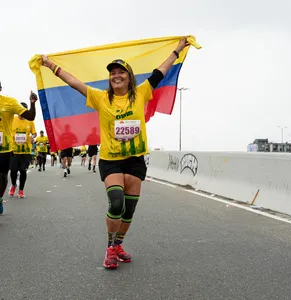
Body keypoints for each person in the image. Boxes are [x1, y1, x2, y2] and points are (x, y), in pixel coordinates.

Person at [41, 37, 189, 269]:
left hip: (135, 159)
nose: (116, 75)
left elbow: (160, 71)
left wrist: (177, 49)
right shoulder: (101, 98)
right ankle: (110, 248)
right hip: (111, 161)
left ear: (129, 77)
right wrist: (51, 65)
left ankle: (119, 244)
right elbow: (74, 83)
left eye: (121, 72)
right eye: (112, 73)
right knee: (116, 201)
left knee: (129, 208)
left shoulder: (141, 93)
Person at [0, 81, 37, 214]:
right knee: (13, 171)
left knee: (6, 174)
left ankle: (4, 196)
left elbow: (31, 117)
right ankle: (13, 187)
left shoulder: (9, 103)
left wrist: (32, 103)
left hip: (6, 148)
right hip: (13, 148)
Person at [9, 102, 37, 198]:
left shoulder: (30, 122)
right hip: (13, 150)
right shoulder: (12, 119)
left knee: (23, 171)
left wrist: (32, 137)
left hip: (26, 151)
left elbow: (34, 133)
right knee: (13, 170)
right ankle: (13, 185)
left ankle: (21, 190)